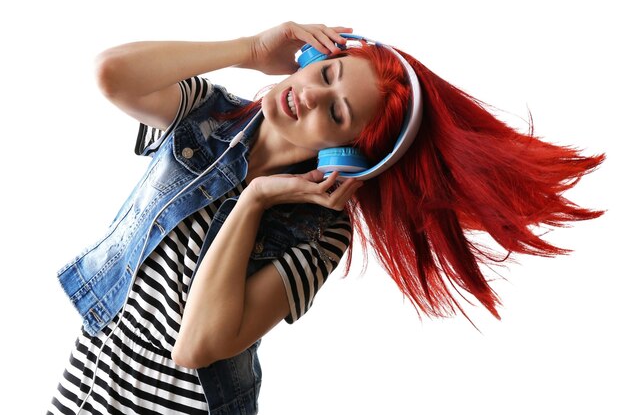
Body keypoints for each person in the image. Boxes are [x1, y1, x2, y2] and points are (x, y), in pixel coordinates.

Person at [47, 22, 604, 414]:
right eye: (329, 73)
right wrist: (247, 47)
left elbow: (197, 347)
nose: (310, 94)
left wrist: (254, 200)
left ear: (350, 155)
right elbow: (111, 73)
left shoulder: (321, 231)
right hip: (85, 386)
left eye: (336, 111)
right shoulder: (206, 114)